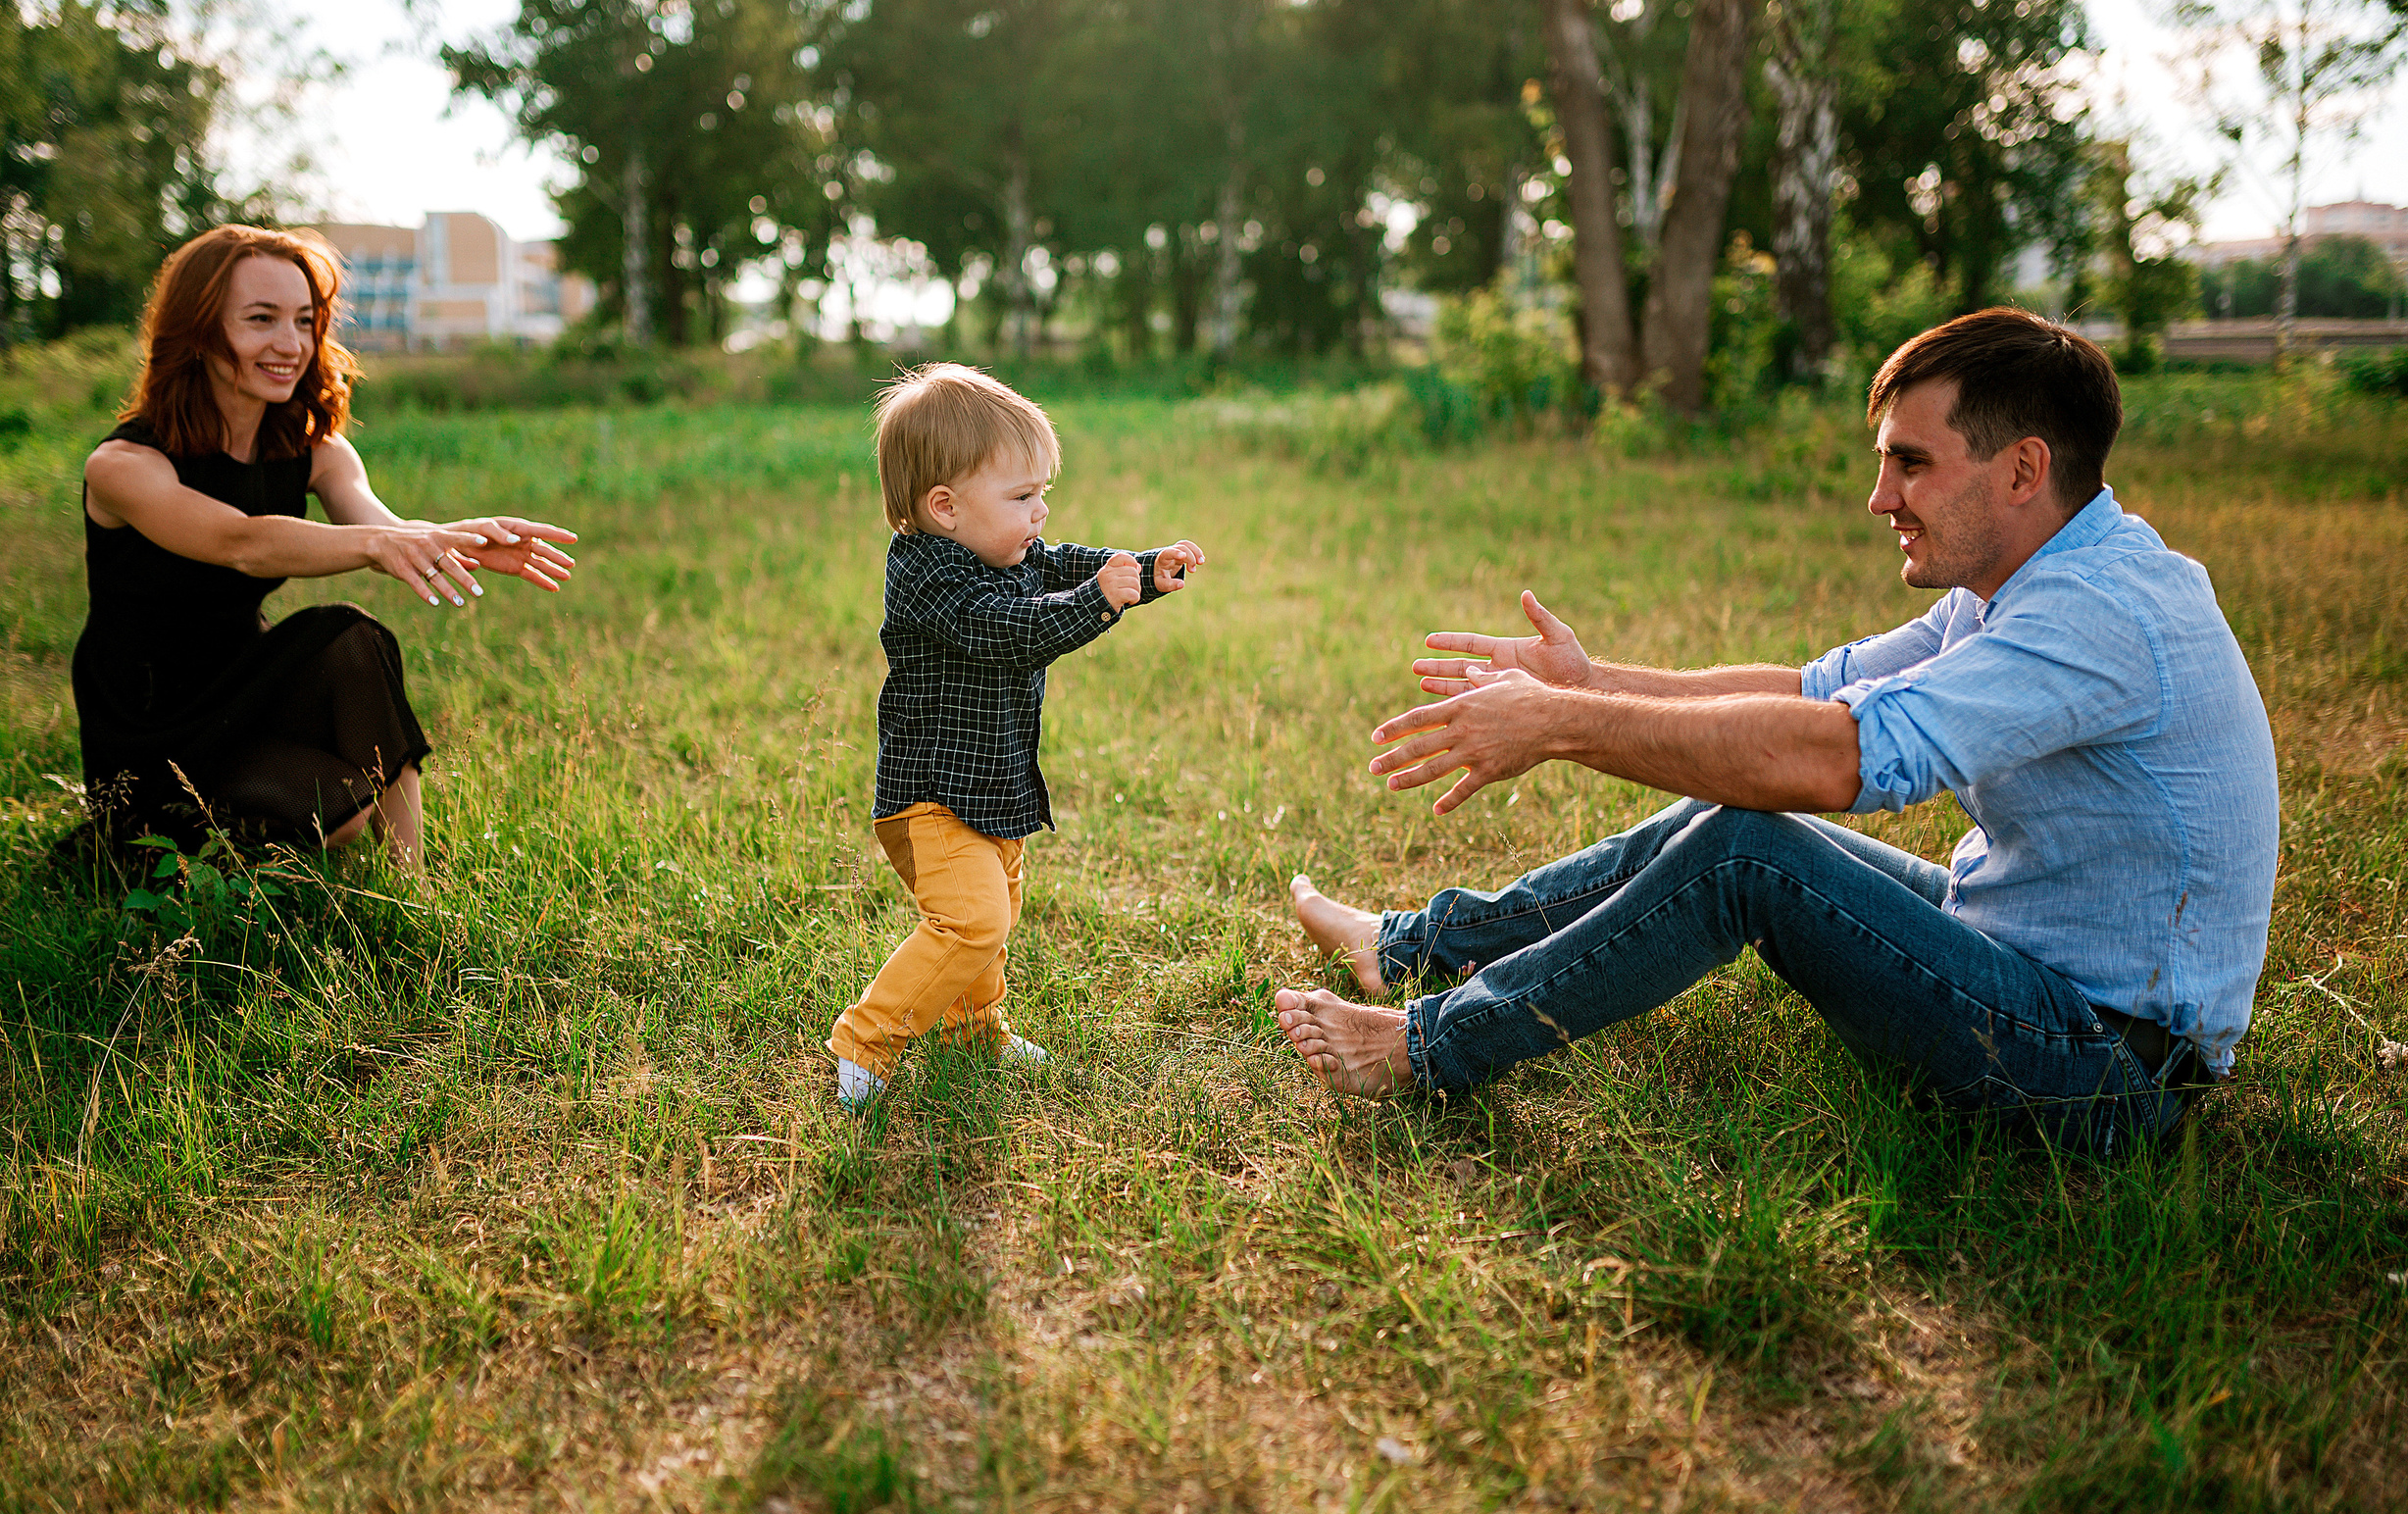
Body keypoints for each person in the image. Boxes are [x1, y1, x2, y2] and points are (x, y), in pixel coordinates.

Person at [1274, 309, 2277, 1153]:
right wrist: (1592, 679)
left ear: (2022, 469)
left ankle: (1423, 1047)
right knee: (1730, 799)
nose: (1880, 498)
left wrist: (1564, 722)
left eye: (1910, 464)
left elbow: (1830, 756)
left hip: (2107, 1069)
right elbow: (1814, 689)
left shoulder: (2098, 612)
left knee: (1748, 848)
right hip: (2018, 947)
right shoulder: (2021, 579)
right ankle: (1417, 944)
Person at [75, 224, 577, 866]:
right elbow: (241, 543)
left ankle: (414, 884)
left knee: (352, 637)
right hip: (148, 726)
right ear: (198, 330)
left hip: (246, 690)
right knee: (332, 816)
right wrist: (376, 546)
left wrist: (461, 541)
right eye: (261, 319)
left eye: (306, 321)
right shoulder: (124, 465)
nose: (290, 344)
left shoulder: (314, 449)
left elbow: (377, 522)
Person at [828, 364, 1212, 1107]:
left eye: (1043, 495)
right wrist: (1094, 604)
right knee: (971, 919)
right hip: (932, 797)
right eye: (1021, 497)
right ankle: (866, 1038)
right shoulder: (929, 576)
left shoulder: (1003, 549)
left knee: (995, 914)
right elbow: (1009, 630)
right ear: (945, 507)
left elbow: (1066, 564)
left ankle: (974, 1026)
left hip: (995, 786)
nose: (1039, 514)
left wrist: (1141, 569)